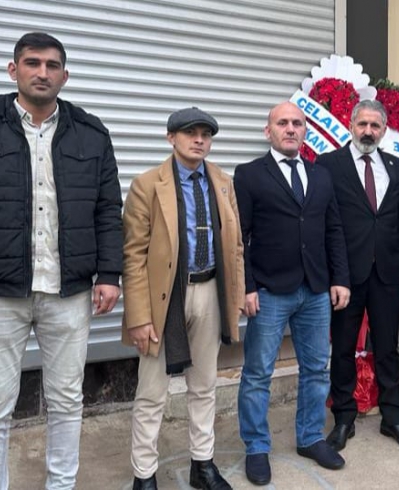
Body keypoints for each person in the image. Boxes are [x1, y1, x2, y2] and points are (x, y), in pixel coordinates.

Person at [0, 32, 123, 489]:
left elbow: (108, 210)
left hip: (68, 292)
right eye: (32, 63)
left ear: (65, 76)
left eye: (52, 65)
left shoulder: (92, 133)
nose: (42, 72)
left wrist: (109, 273)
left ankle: (60, 485)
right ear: (14, 70)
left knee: (67, 401)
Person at [122, 107, 244, 490]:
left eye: (205, 134)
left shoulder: (222, 182)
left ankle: (202, 464)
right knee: (152, 393)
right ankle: (144, 474)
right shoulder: (147, 185)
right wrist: (139, 316)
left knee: (204, 386)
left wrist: (236, 296)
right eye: (190, 133)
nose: (199, 140)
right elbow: (133, 255)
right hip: (164, 300)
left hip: (210, 292)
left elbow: (236, 247)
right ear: (171, 137)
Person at [234, 102, 351, 485]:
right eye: (282, 123)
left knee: (316, 369)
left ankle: (310, 437)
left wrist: (340, 278)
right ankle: (256, 446)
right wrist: (247, 286)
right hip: (269, 291)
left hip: (315, 290)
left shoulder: (320, 175)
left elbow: (334, 229)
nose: (290, 129)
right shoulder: (249, 174)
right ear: (268, 131)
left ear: (305, 131)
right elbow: (239, 237)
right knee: (257, 373)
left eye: (297, 123)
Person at [316, 99, 399, 452]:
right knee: (344, 347)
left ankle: (393, 417)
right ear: (351, 125)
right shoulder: (329, 164)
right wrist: (334, 274)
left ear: (384, 130)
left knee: (388, 347)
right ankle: (344, 417)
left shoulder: (396, 166)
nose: (368, 131)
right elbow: (324, 220)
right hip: (346, 275)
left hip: (387, 273)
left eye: (375, 125)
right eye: (362, 124)